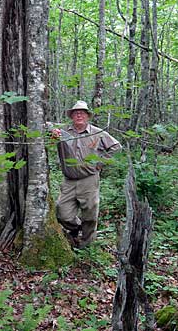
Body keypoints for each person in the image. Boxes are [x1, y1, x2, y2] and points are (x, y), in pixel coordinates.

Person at [52, 100, 122, 249]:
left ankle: (86, 246)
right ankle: (76, 228)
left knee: (90, 214)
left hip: (89, 179)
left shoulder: (97, 133)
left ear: (87, 116)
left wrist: (101, 163)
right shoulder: (63, 131)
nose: (79, 115)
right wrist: (51, 131)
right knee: (62, 213)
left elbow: (116, 147)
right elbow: (44, 125)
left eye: (82, 112)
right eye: (76, 112)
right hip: (69, 180)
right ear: (71, 115)